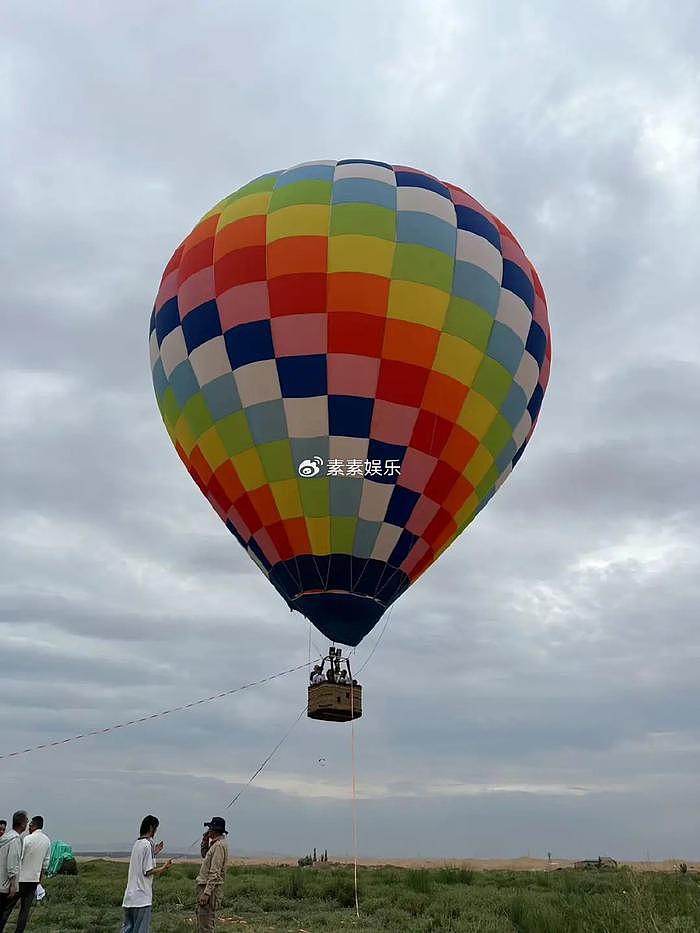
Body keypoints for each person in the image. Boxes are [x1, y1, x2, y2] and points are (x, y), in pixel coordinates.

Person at [121, 815, 173, 933]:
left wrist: (154, 852)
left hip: (129, 899)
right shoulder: (148, 844)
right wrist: (164, 868)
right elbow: (147, 871)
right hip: (142, 899)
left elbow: (141, 862)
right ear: (151, 828)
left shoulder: (137, 844)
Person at [196, 817, 229, 932]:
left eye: (210, 828)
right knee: (204, 921)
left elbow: (214, 872)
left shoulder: (219, 846)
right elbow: (205, 855)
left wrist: (206, 893)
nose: (208, 831)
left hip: (209, 889)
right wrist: (204, 842)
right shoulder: (215, 845)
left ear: (214, 830)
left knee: (206, 924)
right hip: (207, 888)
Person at [0, 810, 28, 932]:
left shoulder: (5, 837)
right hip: (4, 885)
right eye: (26, 820)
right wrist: (13, 885)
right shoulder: (15, 839)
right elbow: (12, 864)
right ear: (22, 823)